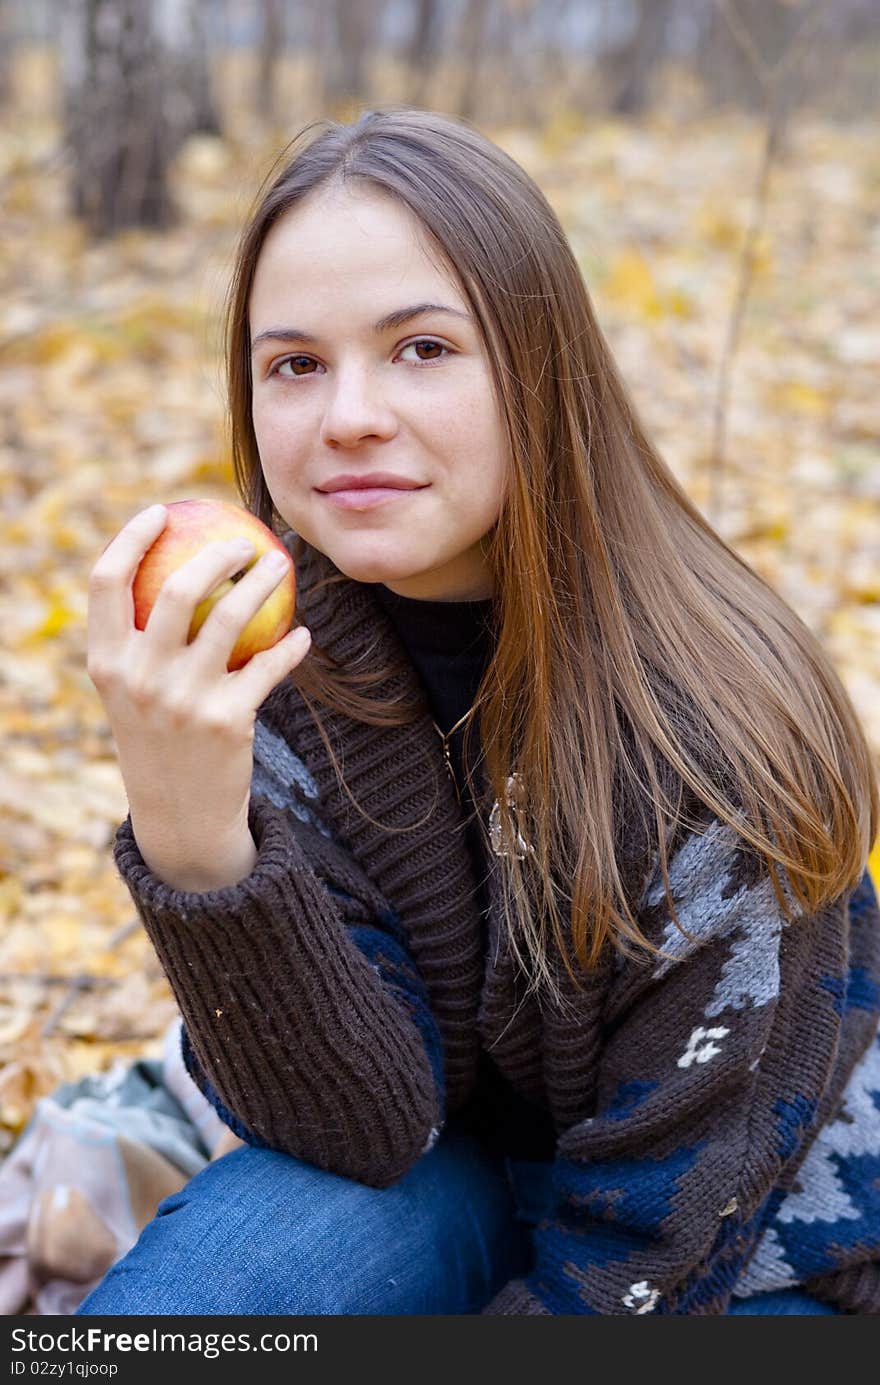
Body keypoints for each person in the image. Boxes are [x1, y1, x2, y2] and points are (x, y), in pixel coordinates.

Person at [78, 106, 880, 1316]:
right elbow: (357, 1124)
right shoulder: (274, 657)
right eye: (295, 363)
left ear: (540, 364)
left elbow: (652, 1244)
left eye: (422, 349)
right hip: (454, 1164)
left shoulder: (711, 731)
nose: (347, 413)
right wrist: (196, 840)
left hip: (751, 1250)